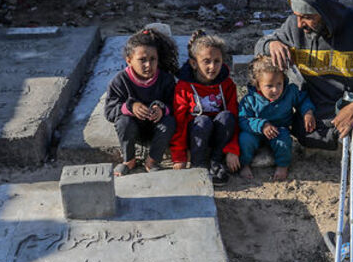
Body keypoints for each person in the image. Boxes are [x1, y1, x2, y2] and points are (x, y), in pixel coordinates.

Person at [255, 0, 353, 250]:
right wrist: (270, 43)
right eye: (297, 17)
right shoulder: (295, 27)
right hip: (314, 117)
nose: (301, 23)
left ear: (327, 12)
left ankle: (350, 233)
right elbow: (260, 44)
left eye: (307, 16)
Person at [104, 28, 179, 176]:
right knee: (123, 122)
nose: (148, 65)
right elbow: (109, 111)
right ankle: (129, 160)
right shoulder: (119, 81)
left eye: (153, 59)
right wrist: (130, 107)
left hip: (157, 129)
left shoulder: (166, 79)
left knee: (169, 122)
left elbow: (175, 105)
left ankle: (152, 161)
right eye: (142, 60)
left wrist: (162, 110)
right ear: (129, 60)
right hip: (133, 130)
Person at [171, 30, 241, 186]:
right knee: (202, 121)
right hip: (196, 135)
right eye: (206, 61)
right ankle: (199, 164)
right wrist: (179, 155)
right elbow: (180, 121)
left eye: (217, 61)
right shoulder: (184, 87)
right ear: (194, 63)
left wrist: (232, 149)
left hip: (218, 135)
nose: (212, 66)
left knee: (227, 117)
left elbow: (235, 118)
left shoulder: (227, 85)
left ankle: (216, 160)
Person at [238, 55, 316, 181]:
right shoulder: (250, 99)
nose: (275, 90)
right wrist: (262, 125)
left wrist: (308, 112)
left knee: (284, 142)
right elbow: (243, 119)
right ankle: (244, 164)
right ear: (258, 85)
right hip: (256, 131)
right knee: (244, 140)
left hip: (279, 129)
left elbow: (303, 100)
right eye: (269, 86)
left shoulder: (290, 92)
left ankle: (282, 166)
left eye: (279, 84)